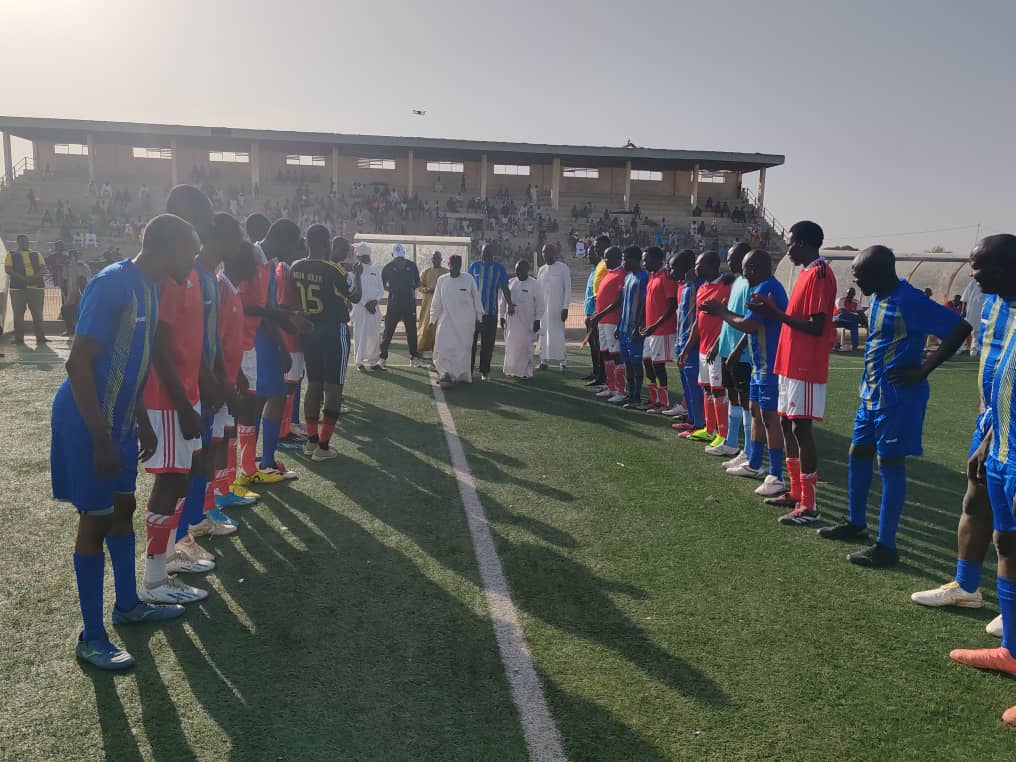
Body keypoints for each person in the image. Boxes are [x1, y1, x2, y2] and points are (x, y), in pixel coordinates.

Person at [51, 214, 196, 670]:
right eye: (189, 252)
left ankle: (128, 605)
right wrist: (100, 438)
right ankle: (91, 637)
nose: (192, 261)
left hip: (121, 422)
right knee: (95, 520)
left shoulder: (151, 287)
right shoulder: (112, 284)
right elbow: (78, 364)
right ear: (167, 247)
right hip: (87, 422)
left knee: (123, 507)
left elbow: (132, 361)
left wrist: (142, 421)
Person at [815, 246, 971, 565]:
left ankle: (886, 546)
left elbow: (960, 328)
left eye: (860, 275)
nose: (857, 282)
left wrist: (923, 369)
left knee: (889, 463)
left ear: (879, 272)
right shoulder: (878, 298)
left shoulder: (908, 300)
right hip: (871, 395)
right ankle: (856, 523)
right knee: (858, 452)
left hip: (898, 399)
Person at [945, 234, 1016, 727]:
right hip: (1005, 447)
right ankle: (1012, 649)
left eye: (982, 267)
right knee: (1006, 542)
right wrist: (991, 437)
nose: (974, 276)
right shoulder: (1006, 311)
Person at [749, 220, 837, 525]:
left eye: (790, 243)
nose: (788, 249)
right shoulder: (806, 272)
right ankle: (796, 491)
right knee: (787, 424)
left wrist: (773, 312)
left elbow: (816, 325)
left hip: (805, 365)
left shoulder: (821, 274)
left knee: (801, 429)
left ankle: (810, 505)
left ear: (803, 243)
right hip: (788, 363)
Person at [701, 249, 789, 496]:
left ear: (756, 268)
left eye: (747, 268)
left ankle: (776, 475)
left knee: (770, 417)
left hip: (770, 365)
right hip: (759, 364)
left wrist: (721, 312)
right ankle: (754, 463)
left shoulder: (767, 289)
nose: (744, 273)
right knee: (756, 411)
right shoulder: (758, 287)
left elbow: (750, 324)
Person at [290, 225, 362, 461]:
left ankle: (311, 441)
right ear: (326, 243)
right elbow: (355, 296)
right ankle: (323, 446)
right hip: (333, 330)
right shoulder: (333, 269)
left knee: (313, 385)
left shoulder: (296, 266)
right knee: (333, 388)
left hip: (309, 330)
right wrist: (358, 276)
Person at [677, 252, 731, 444]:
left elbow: (730, 318)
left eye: (699, 264)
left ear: (712, 265)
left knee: (718, 391)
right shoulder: (701, 288)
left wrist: (718, 345)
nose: (695, 268)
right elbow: (697, 322)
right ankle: (709, 430)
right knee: (707, 389)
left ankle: (723, 435)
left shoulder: (727, 286)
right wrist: (686, 349)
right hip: (702, 348)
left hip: (719, 349)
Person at [706, 243, 754, 458]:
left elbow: (752, 322)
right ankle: (732, 443)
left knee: (746, 402)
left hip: (742, 355)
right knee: (733, 397)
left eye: (732, 257)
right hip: (727, 350)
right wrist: (718, 344)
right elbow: (727, 317)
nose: (729, 261)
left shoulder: (751, 284)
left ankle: (749, 450)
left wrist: (737, 350)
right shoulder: (736, 282)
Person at [431, 254, 483, 384]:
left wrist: (479, 318)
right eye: (452, 265)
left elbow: (476, 299)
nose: (455, 267)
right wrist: (432, 319)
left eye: (457, 265)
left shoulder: (468, 279)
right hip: (446, 321)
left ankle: (461, 376)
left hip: (465, 323)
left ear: (460, 265)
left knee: (463, 351)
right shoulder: (442, 280)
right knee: (442, 347)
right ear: (448, 265)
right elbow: (436, 302)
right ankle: (445, 373)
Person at [639, 246, 679, 413]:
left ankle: (664, 402)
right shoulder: (652, 276)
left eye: (646, 259)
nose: (644, 263)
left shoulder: (666, 277)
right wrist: (644, 324)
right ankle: (654, 399)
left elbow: (672, 304)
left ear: (656, 259)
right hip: (651, 330)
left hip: (662, 330)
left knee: (658, 366)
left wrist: (655, 325)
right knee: (647, 361)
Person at [468, 243, 514, 381]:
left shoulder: (499, 268)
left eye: (489, 252)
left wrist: (510, 304)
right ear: (481, 253)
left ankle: (484, 371)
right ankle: (468, 370)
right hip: (473, 313)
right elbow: (467, 286)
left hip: (491, 313)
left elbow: (505, 287)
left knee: (487, 344)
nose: (486, 254)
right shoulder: (474, 266)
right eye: (484, 252)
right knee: (470, 343)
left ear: (493, 253)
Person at [669, 250, 702, 433]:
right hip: (681, 342)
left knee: (694, 386)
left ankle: (699, 423)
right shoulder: (685, 286)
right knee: (687, 385)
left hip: (693, 345)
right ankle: (691, 418)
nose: (671, 272)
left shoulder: (698, 286)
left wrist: (688, 344)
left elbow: (698, 320)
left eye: (674, 268)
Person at [589, 247, 627, 402]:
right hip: (602, 320)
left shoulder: (621, 274)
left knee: (615, 354)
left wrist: (601, 314)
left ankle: (621, 390)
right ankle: (611, 387)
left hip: (612, 321)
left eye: (607, 257)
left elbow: (618, 301)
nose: (605, 261)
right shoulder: (609, 273)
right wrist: (596, 313)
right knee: (605, 353)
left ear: (617, 258)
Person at [379, 243, 423, 369]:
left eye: (401, 257)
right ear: (393, 255)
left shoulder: (412, 266)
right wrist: (393, 290)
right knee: (388, 332)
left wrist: (409, 288)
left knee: (411, 332)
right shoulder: (387, 268)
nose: (399, 260)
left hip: (409, 304)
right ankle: (382, 358)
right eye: (397, 257)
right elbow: (382, 284)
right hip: (394, 305)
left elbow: (417, 282)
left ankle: (414, 358)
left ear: (404, 255)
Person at [617, 246, 650, 409]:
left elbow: (644, 305)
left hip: (634, 329)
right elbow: (624, 303)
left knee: (636, 363)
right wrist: (618, 325)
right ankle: (631, 394)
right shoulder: (628, 277)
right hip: (624, 329)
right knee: (628, 363)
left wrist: (638, 327)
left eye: (625, 259)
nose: (623, 262)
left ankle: (636, 396)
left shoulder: (644, 278)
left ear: (633, 260)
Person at [501, 260, 544, 379]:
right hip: (512, 323)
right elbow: (503, 300)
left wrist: (537, 320)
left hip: (527, 323)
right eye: (516, 270)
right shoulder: (510, 282)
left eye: (519, 270)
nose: (517, 272)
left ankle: (526, 372)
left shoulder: (535, 284)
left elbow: (541, 304)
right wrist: (501, 316)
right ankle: (512, 370)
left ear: (526, 270)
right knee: (511, 346)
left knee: (526, 347)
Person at [5, 234, 47, 344]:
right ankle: (19, 338)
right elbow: (8, 269)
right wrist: (24, 279)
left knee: (38, 314)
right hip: (17, 289)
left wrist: (35, 278)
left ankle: (40, 337)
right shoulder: (11, 255)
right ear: (18, 242)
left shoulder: (37, 254)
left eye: (26, 241)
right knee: (18, 315)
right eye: (22, 241)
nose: (25, 243)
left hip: (36, 288)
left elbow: (43, 268)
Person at [537, 243, 571, 371]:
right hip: (543, 310)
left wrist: (565, 307)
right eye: (543, 252)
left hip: (558, 309)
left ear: (554, 253)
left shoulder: (563, 268)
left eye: (547, 251)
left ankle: (563, 361)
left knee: (559, 334)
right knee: (543, 333)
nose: (545, 254)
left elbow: (568, 289)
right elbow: (538, 290)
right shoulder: (541, 270)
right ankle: (544, 360)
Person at [352, 243, 384, 371]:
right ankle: (359, 362)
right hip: (360, 309)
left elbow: (381, 289)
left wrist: (375, 301)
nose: (367, 258)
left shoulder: (375, 270)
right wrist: (365, 303)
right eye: (364, 256)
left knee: (374, 335)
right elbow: (353, 292)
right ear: (358, 257)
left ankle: (373, 361)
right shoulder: (354, 272)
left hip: (374, 308)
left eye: (368, 255)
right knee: (360, 334)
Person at [417, 251, 448, 356]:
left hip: (442, 305)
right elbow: (419, 285)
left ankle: (439, 352)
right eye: (434, 258)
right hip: (428, 304)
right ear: (432, 259)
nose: (436, 260)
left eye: (438, 258)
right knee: (425, 326)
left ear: (441, 259)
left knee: (440, 327)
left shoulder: (446, 272)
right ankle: (420, 349)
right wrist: (427, 290)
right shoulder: (426, 272)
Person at [833, 287, 865, 351]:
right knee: (843, 315)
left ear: (854, 294)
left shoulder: (856, 302)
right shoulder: (840, 300)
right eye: (849, 293)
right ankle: (835, 344)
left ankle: (855, 347)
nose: (850, 295)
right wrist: (858, 318)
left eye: (852, 293)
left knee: (854, 325)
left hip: (849, 321)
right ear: (846, 293)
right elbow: (842, 311)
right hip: (837, 319)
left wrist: (864, 319)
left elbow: (861, 313)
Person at [961, 277, 985, 357]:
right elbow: (965, 298)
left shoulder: (992, 282)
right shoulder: (973, 282)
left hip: (982, 314)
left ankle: (974, 352)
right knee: (964, 331)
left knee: (977, 332)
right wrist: (963, 311)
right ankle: (957, 350)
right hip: (971, 312)